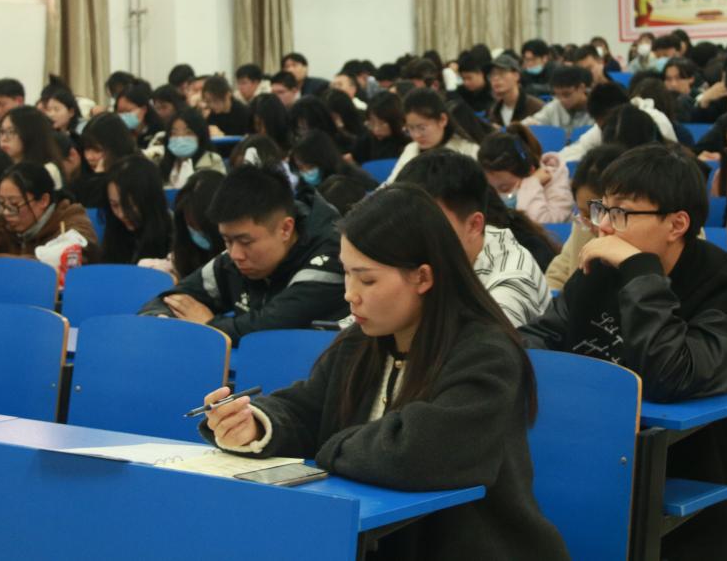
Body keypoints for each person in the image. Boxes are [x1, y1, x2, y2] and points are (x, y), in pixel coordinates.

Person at [199, 184, 570, 561]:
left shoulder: (486, 353)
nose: (350, 294)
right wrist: (254, 424)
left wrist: (332, 445)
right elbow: (307, 409)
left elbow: (417, 451)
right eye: (347, 274)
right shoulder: (360, 342)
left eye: (367, 279)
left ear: (422, 278)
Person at [520, 143, 727, 561]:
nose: (603, 227)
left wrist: (640, 272)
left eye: (621, 213)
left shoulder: (725, 288)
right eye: (602, 209)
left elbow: (669, 377)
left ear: (676, 224)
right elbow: (541, 339)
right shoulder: (601, 269)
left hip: (699, 486)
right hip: (599, 457)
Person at [139, 164, 347, 343]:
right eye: (227, 240)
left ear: (285, 229)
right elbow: (171, 300)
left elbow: (271, 327)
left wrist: (209, 325)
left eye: (246, 242)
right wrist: (162, 320)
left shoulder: (333, 257)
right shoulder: (235, 258)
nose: (235, 254)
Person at [396, 150, 551, 327]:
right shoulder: (427, 258)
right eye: (407, 222)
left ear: (474, 225)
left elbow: (488, 340)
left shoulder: (509, 282)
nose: (412, 236)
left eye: (427, 224)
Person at [0, 162, 100, 263]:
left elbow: (54, 261)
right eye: (2, 203)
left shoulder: (72, 220)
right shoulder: (4, 221)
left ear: (43, 200)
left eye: (14, 204)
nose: (7, 212)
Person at [544, 143, 627, 290]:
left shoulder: (633, 239)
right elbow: (557, 274)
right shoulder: (583, 225)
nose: (590, 223)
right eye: (583, 212)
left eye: (597, 212)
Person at [478, 123, 572, 223]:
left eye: (505, 188)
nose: (498, 196)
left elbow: (545, 225)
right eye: (491, 189)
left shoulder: (555, 181)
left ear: (530, 172)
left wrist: (531, 184)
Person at [388, 88, 480, 182]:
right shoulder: (411, 149)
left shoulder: (468, 150)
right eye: (410, 128)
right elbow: (391, 184)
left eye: (422, 128)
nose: (416, 135)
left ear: (442, 120)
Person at [101, 155, 173, 265]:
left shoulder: (174, 233)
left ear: (150, 200)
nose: (121, 214)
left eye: (129, 206)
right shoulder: (115, 226)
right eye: (114, 205)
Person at [161, 169, 225, 280]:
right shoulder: (184, 246)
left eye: (201, 228)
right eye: (190, 225)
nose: (195, 232)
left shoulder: (234, 258)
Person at [154, 108, 225, 189]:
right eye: (174, 133)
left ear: (200, 136)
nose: (180, 138)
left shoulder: (212, 161)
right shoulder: (158, 161)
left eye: (188, 133)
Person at [0, 107, 65, 190]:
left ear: (31, 133)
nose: (4, 138)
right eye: (2, 131)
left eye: (12, 132)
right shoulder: (4, 168)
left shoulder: (47, 169)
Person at [291, 131, 378, 193]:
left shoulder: (356, 180)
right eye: (301, 168)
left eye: (311, 166)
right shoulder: (303, 190)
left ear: (325, 161)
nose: (306, 172)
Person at [527, 65, 593, 133]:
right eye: (557, 95)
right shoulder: (554, 107)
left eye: (567, 94)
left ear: (581, 88)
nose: (562, 100)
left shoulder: (596, 110)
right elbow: (533, 122)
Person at [350, 91, 410, 164]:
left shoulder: (408, 144)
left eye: (382, 123)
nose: (376, 129)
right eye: (372, 123)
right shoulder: (364, 143)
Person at [487, 54, 544, 127]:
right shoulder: (494, 112)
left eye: (501, 73)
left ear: (516, 76)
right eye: (492, 75)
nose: (496, 78)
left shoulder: (535, 107)